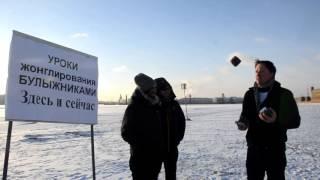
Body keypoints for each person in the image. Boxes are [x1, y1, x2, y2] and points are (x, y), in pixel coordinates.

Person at [236, 60, 300, 180]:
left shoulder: (284, 94)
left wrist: (276, 119)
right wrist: (243, 123)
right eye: (256, 71)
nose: (258, 74)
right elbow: (245, 115)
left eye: (262, 71)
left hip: (275, 150)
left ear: (272, 73)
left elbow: (295, 121)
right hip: (254, 150)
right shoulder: (249, 94)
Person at [121, 73, 163, 180]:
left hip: (155, 158)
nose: (155, 90)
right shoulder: (134, 107)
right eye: (153, 88)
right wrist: (144, 144)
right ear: (146, 89)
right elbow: (126, 132)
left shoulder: (155, 104)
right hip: (141, 159)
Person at [155, 77, 186, 180]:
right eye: (164, 89)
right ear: (158, 90)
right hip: (155, 150)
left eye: (168, 88)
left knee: (171, 176)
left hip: (172, 149)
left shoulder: (174, 104)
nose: (167, 91)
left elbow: (182, 122)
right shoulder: (153, 105)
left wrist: (178, 138)